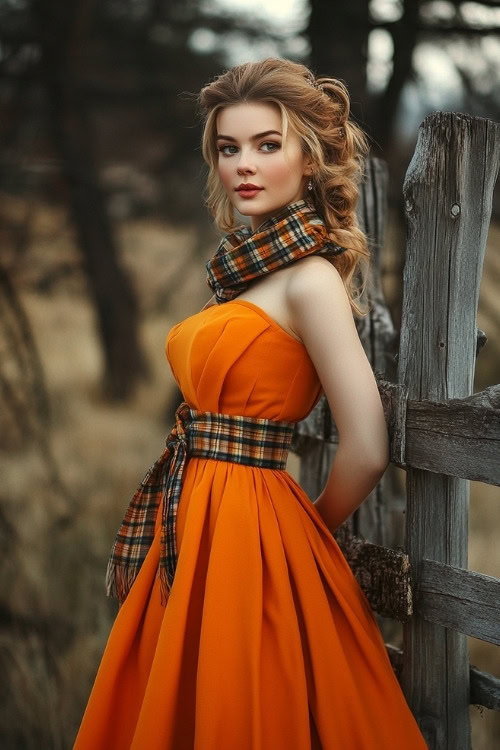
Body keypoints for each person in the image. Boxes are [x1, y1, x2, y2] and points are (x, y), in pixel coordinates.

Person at [73, 58, 428, 749]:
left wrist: (305, 535)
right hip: (195, 514)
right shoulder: (243, 274)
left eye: (268, 145)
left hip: (253, 530)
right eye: (230, 148)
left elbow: (367, 446)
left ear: (307, 157)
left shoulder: (310, 281)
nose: (245, 164)